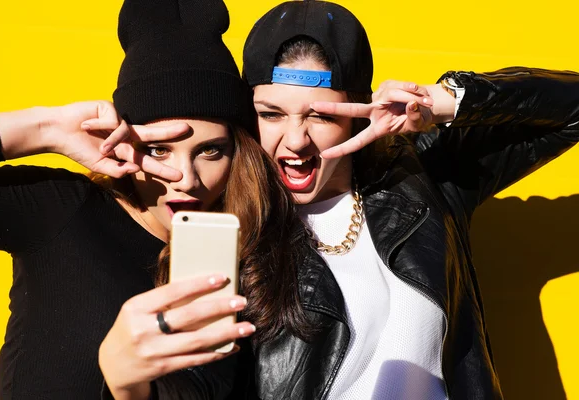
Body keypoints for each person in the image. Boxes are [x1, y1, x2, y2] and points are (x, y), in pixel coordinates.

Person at [234, 1, 579, 399]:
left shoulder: (421, 175)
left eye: (322, 116)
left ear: (358, 112)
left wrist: (442, 102)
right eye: (271, 114)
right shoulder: (230, 220)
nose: (295, 140)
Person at [0, 0, 308, 398]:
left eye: (211, 151)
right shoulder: (62, 210)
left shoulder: (249, 258)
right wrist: (44, 129)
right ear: (123, 143)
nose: (185, 179)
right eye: (158, 150)